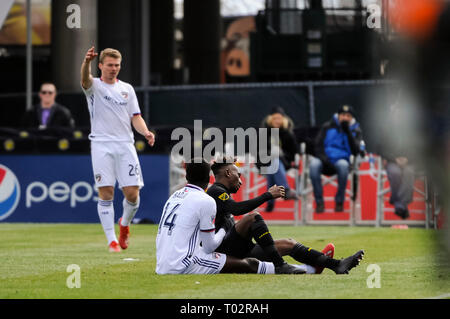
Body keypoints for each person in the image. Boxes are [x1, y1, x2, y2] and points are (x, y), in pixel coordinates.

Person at [207, 157, 365, 275]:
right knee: (252, 217)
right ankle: (280, 265)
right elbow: (236, 209)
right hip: (225, 253)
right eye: (238, 174)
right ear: (228, 173)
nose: (241, 180)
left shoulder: (221, 192)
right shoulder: (215, 191)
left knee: (289, 244)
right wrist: (267, 195)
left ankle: (336, 265)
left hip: (241, 250)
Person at [156, 159, 289, 275]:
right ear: (209, 178)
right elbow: (209, 247)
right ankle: (296, 268)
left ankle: (290, 266)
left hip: (161, 264)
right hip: (183, 264)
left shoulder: (174, 196)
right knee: (249, 264)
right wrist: (224, 229)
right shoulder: (205, 200)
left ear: (186, 176)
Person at [80, 46, 155, 252]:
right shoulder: (94, 85)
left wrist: (146, 132)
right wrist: (86, 62)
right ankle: (112, 240)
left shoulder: (127, 89)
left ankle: (124, 225)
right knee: (106, 192)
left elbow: (136, 116)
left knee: (132, 194)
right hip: (101, 144)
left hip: (125, 144)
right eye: (110, 65)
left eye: (117, 65)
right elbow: (84, 80)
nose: (114, 69)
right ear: (101, 66)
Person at [310, 105, 363, 213]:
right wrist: (324, 159)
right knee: (313, 165)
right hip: (324, 160)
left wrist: (347, 132)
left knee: (343, 166)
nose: (345, 118)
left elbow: (355, 151)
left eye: (348, 116)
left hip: (341, 160)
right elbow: (318, 145)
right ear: (338, 116)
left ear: (351, 118)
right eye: (343, 115)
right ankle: (319, 202)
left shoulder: (355, 130)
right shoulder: (327, 126)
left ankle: (339, 201)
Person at [378, 100, 417, 219]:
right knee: (395, 173)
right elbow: (381, 150)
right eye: (396, 112)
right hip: (392, 161)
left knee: (409, 172)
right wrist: (394, 159)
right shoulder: (385, 129)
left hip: (409, 161)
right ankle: (402, 206)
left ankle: (399, 204)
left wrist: (407, 159)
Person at [258, 106, 300, 212]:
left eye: (279, 118)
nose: (277, 121)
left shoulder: (288, 133)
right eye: (275, 118)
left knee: (274, 164)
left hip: (283, 163)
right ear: (270, 119)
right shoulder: (264, 132)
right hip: (265, 162)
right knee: (273, 162)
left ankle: (270, 202)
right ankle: (285, 189)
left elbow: (295, 151)